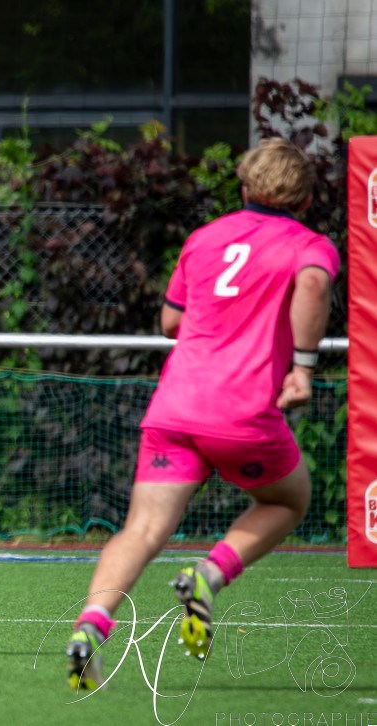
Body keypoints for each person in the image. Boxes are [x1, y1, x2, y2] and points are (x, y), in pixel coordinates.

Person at [66, 138, 340, 689]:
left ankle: (90, 627)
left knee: (140, 530)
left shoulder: (204, 238)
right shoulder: (308, 244)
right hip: (244, 413)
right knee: (290, 498)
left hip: (175, 408)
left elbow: (170, 322)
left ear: (244, 187)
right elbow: (312, 284)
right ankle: (210, 573)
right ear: (306, 199)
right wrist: (303, 368)